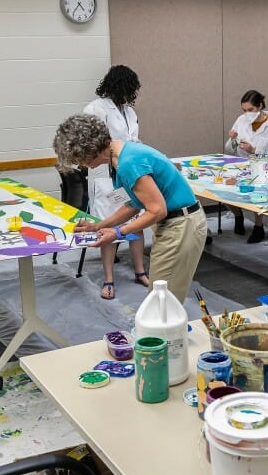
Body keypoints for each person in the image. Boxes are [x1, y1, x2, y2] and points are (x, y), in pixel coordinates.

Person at [54, 114, 206, 303]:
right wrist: (99, 226)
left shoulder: (128, 163)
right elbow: (133, 204)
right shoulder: (121, 156)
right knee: (161, 299)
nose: (81, 165)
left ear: (88, 151)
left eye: (79, 159)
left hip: (181, 225)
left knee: (162, 303)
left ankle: (167, 333)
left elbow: (157, 210)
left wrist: (118, 232)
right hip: (177, 224)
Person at [83, 65, 149, 300]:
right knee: (109, 226)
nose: (131, 95)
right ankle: (108, 279)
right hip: (105, 178)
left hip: (128, 175)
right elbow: (91, 142)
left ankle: (140, 271)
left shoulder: (129, 112)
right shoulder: (96, 109)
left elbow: (132, 140)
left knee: (136, 222)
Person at [225, 89, 268, 244]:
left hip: (263, 167)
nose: (247, 113)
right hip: (241, 164)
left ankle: (259, 226)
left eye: (250, 110)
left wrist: (254, 150)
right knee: (223, 185)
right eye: (244, 110)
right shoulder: (241, 120)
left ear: (260, 106)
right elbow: (229, 149)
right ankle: (238, 215)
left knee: (258, 188)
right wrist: (233, 140)